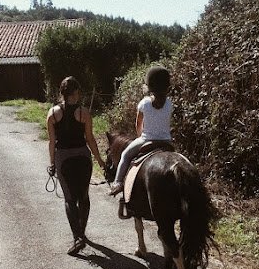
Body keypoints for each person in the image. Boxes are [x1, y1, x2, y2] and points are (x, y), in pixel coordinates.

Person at [47, 76, 105, 255]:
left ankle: (77, 237)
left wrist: (51, 163)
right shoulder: (84, 113)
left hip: (63, 158)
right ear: (76, 92)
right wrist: (100, 161)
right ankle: (82, 232)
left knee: (69, 199)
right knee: (84, 196)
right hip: (83, 157)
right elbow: (90, 139)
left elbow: (51, 142)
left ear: (62, 93)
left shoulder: (53, 113)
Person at [109, 66, 173, 196]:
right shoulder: (169, 104)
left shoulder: (144, 103)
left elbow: (138, 124)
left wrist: (140, 136)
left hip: (146, 140)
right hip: (167, 141)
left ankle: (117, 182)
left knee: (125, 155)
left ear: (150, 85)